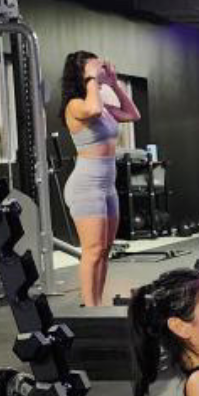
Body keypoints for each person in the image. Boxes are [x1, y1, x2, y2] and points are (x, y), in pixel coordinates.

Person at [60, 50, 140, 308]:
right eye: (92, 67)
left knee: (105, 250)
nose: (100, 70)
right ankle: (90, 309)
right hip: (86, 186)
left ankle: (98, 305)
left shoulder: (102, 106)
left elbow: (132, 115)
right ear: (81, 74)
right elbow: (92, 108)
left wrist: (114, 84)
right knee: (93, 251)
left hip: (107, 187)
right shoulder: (76, 105)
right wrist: (92, 77)